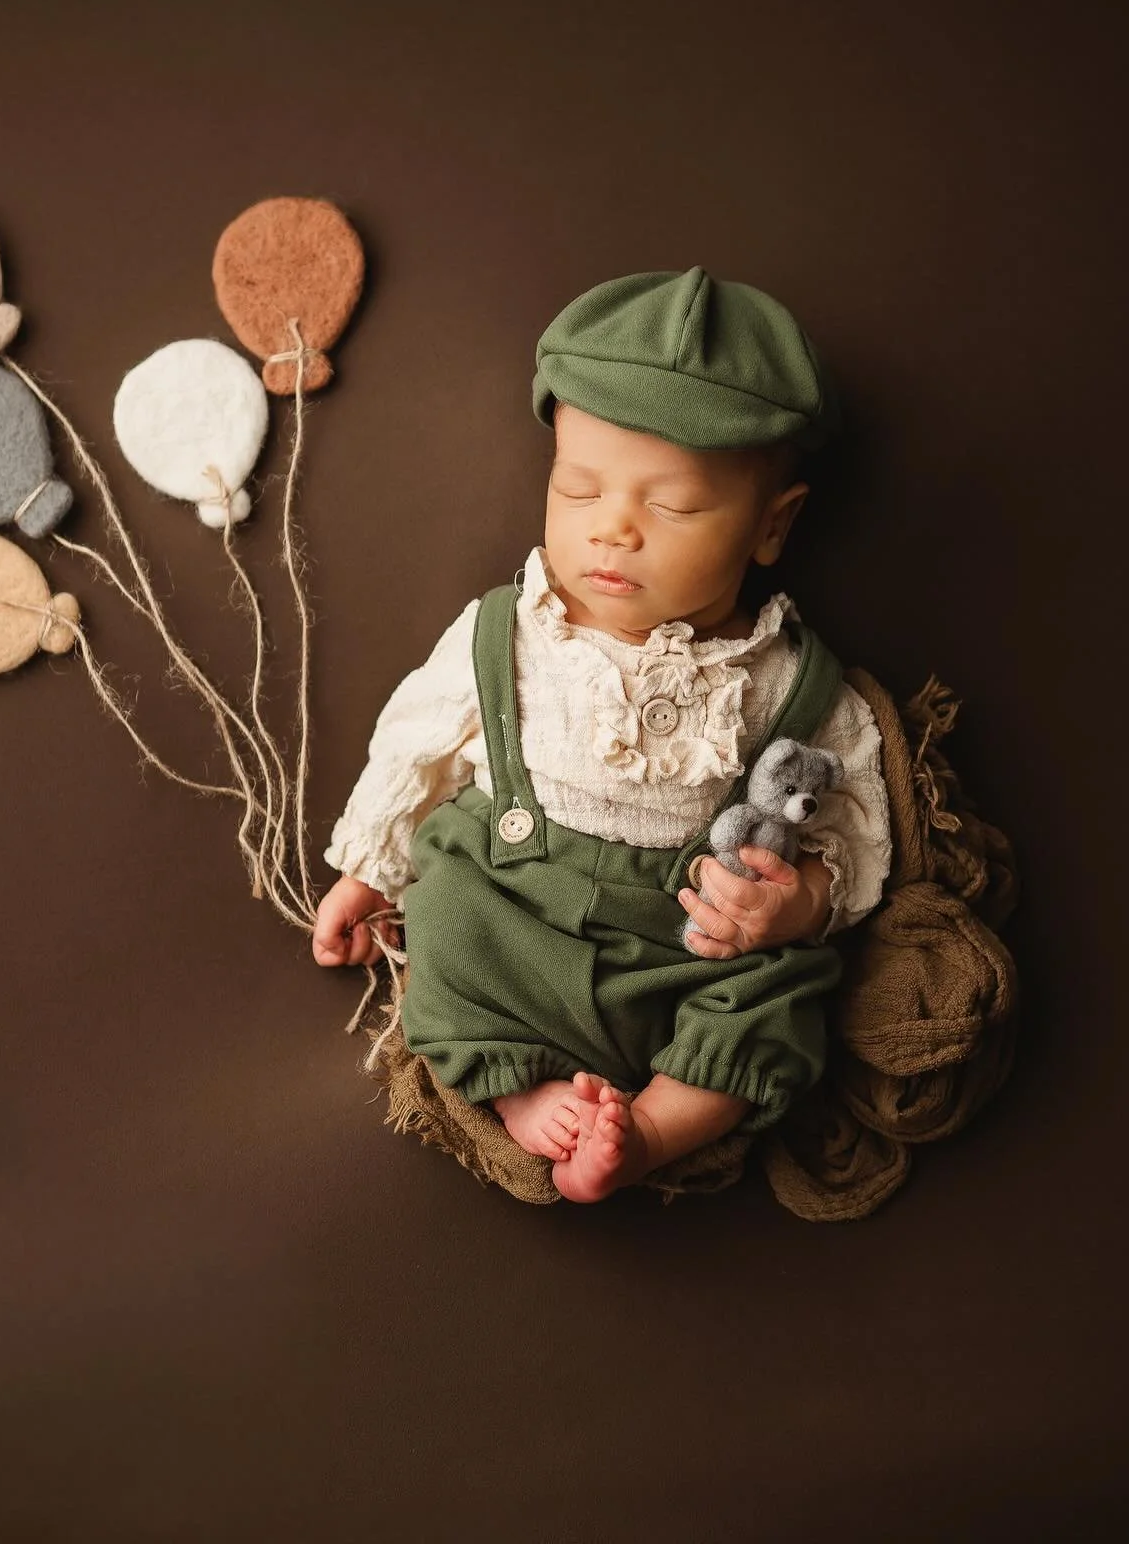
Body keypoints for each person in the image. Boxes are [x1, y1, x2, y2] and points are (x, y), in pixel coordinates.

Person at [312, 270, 892, 1202]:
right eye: (578, 490)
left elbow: (859, 823)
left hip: (692, 942)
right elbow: (413, 747)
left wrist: (796, 905)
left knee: (782, 995)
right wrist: (365, 871)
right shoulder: (508, 634)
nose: (612, 531)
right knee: (446, 917)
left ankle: (659, 1126)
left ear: (772, 526)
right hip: (519, 911)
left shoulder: (789, 681)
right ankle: (526, 1094)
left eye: (670, 507)